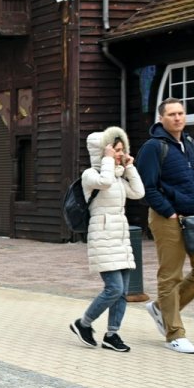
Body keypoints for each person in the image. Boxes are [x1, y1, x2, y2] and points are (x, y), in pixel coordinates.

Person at [135, 97, 194, 354]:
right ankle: (174, 334)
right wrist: (168, 211)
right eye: (171, 114)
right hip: (168, 219)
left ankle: (161, 309)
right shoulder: (153, 147)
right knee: (171, 275)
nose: (177, 118)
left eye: (181, 113)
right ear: (161, 118)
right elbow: (147, 186)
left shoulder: (190, 143)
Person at [69, 127, 145, 352]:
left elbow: (139, 192)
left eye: (122, 150)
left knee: (123, 291)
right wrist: (110, 161)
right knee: (113, 288)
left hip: (120, 238)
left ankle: (112, 334)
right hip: (102, 237)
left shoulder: (119, 175)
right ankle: (83, 323)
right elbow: (105, 182)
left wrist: (129, 166)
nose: (119, 154)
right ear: (102, 152)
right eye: (115, 150)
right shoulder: (90, 175)